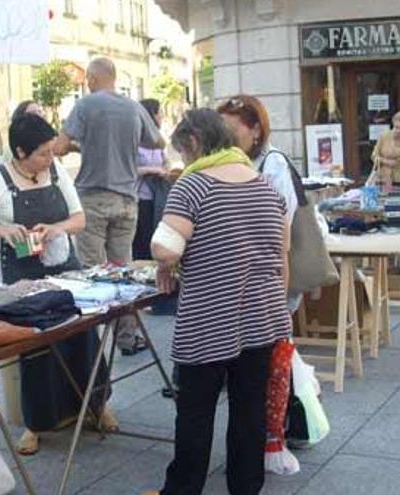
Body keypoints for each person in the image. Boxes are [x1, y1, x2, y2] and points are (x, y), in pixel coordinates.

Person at [146, 108, 291, 495]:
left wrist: (168, 256)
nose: (183, 161)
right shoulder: (265, 187)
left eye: (182, 152)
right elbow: (282, 252)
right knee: (249, 412)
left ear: (194, 143)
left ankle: (183, 489)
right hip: (262, 315)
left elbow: (165, 249)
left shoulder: (193, 186)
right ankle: (245, 487)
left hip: (209, 318)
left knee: (195, 412)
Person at [0, 113, 115, 455]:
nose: (51, 158)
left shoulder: (56, 172)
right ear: (20, 152)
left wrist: (57, 228)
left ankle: (97, 405)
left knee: (83, 335)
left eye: (52, 151)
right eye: (43, 153)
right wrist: (2, 231)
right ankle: (35, 424)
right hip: (23, 273)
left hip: (64, 267)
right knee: (34, 346)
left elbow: (79, 220)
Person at [54, 57, 165, 355]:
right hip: (128, 200)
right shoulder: (133, 107)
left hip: (92, 198)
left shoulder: (85, 106)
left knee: (92, 272)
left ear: (91, 78)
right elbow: (158, 142)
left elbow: (59, 147)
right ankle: (127, 338)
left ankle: (93, 346)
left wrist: (85, 144)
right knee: (122, 269)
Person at [216, 94, 299, 307]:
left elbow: (282, 240)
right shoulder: (228, 163)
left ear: (256, 130)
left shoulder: (274, 165)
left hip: (264, 284)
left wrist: (278, 307)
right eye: (221, 131)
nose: (226, 138)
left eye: (232, 131)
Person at [132, 98, 171, 261]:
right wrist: (151, 170)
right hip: (140, 198)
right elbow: (128, 170)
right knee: (142, 243)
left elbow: (165, 160)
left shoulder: (158, 140)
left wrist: (167, 168)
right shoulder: (134, 139)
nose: (162, 116)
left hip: (158, 198)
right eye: (159, 112)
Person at [371, 111, 400, 186]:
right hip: (384, 178)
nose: (397, 131)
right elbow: (374, 156)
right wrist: (386, 161)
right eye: (396, 127)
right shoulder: (383, 137)